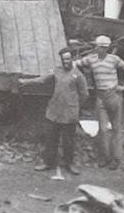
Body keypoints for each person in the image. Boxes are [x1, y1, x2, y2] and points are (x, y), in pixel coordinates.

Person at [17, 47, 89, 178]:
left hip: (69, 113)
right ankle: (48, 163)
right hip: (55, 111)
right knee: (51, 139)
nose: (66, 61)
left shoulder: (78, 75)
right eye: (63, 59)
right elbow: (42, 79)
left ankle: (69, 163)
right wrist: (26, 82)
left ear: (72, 59)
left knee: (68, 140)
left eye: (68, 59)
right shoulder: (57, 71)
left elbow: (84, 94)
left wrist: (76, 107)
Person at [78, 35, 124, 170]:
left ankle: (116, 159)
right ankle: (105, 157)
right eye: (99, 47)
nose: (101, 49)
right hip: (100, 97)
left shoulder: (114, 59)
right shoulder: (91, 59)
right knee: (103, 129)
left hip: (114, 95)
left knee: (116, 128)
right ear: (96, 47)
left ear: (107, 48)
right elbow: (76, 64)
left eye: (104, 48)